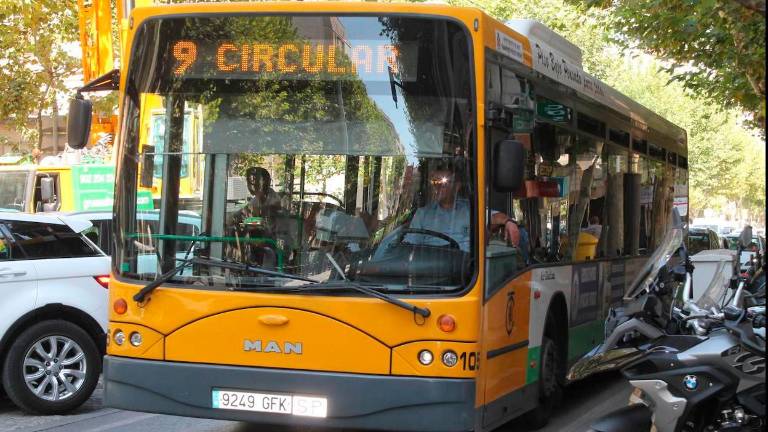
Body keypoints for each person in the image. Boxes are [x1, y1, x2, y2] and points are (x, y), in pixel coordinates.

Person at [405, 162, 520, 252]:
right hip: (433, 272)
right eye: (436, 182)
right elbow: (409, 246)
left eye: (444, 182)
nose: (439, 186)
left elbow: (495, 217)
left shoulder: (471, 210)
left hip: (467, 276)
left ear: (457, 186)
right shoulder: (423, 214)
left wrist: (509, 222)